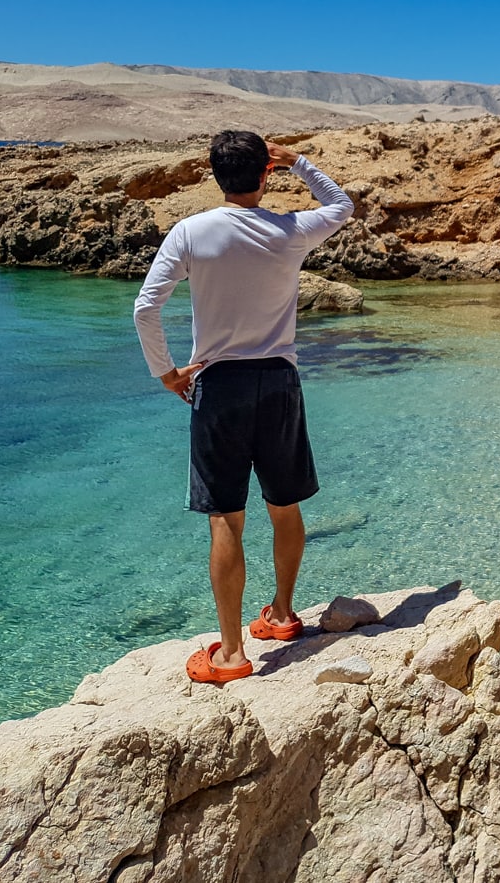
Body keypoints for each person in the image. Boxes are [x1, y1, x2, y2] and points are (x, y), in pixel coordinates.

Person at [133, 130, 354, 684]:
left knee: (226, 517)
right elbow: (342, 206)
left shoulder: (190, 232)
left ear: (214, 174)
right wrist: (299, 162)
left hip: (218, 387)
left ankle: (231, 654)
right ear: (264, 174)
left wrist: (165, 373)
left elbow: (145, 309)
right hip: (279, 382)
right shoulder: (291, 230)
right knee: (284, 504)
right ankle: (281, 614)